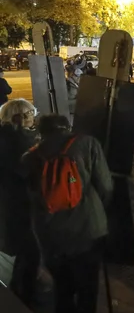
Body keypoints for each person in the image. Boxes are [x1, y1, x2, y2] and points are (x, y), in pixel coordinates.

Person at [21, 114, 113, 313]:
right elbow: (106, 185)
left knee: (62, 291)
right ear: (66, 127)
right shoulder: (87, 144)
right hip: (88, 229)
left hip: (51, 234)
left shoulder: (29, 157)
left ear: (41, 131)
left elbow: (30, 199)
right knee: (88, 290)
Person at [0, 99, 38, 306]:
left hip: (10, 202)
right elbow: (26, 171)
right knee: (28, 250)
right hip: (19, 202)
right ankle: (25, 295)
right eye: (21, 115)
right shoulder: (21, 140)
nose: (27, 118)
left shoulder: (8, 135)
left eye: (29, 112)